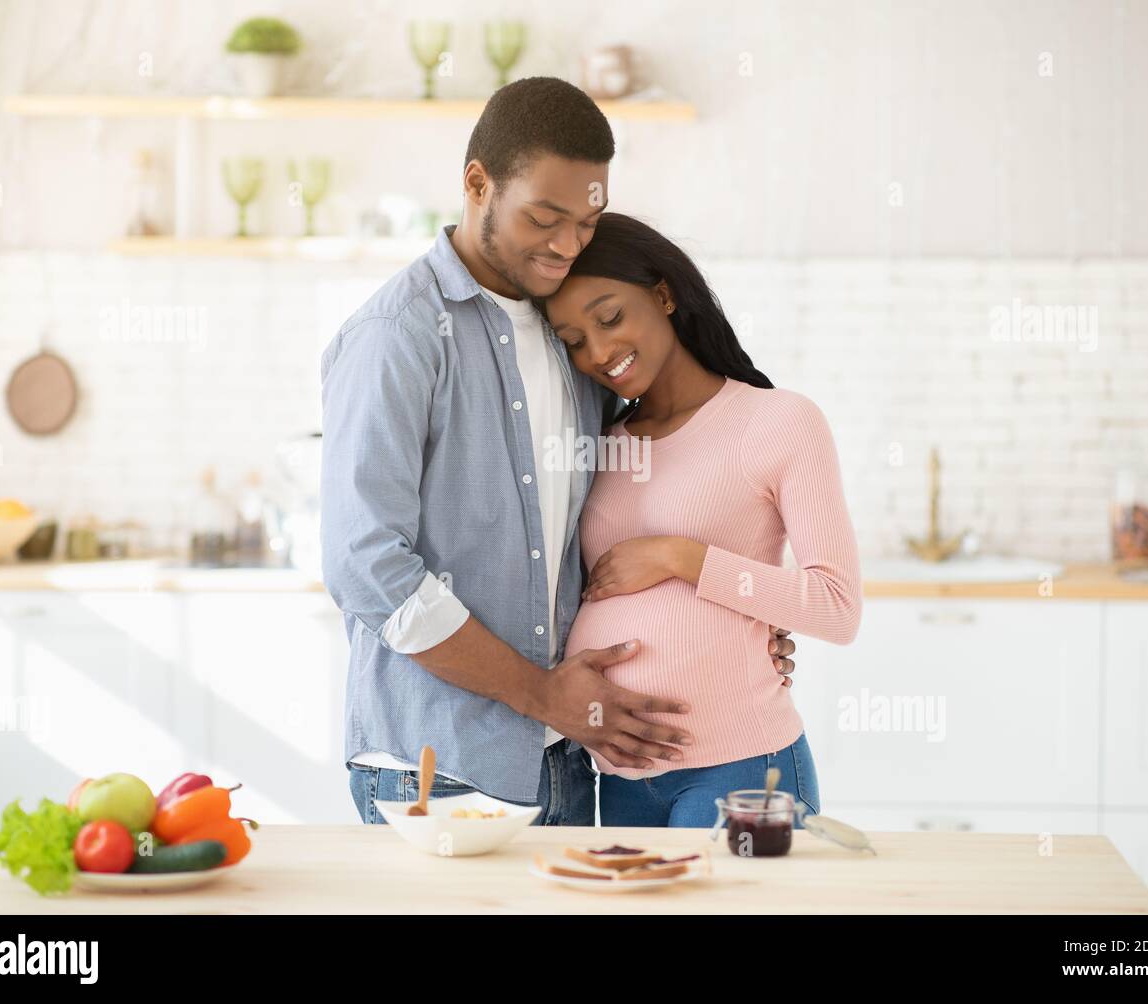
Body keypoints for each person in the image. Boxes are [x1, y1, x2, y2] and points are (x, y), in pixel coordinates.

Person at [320, 78, 802, 825]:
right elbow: (366, 566)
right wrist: (540, 692)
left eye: (585, 220)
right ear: (477, 184)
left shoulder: (572, 336)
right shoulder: (398, 337)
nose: (569, 244)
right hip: (438, 769)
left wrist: (741, 627)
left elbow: (624, 523)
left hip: (572, 759)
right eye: (545, 218)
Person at [545, 213, 862, 826]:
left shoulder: (778, 421)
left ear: (663, 294)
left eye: (610, 318)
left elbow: (836, 606)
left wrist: (679, 557)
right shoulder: (598, 441)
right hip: (617, 778)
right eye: (574, 340)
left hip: (742, 768)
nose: (599, 351)